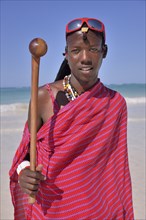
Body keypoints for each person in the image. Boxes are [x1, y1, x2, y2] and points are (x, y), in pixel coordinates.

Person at [9, 17, 134, 219]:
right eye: (76, 51)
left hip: (100, 211)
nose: (85, 58)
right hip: (51, 209)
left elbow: (116, 171)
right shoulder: (44, 98)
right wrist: (24, 174)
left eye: (93, 49)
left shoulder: (115, 103)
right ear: (66, 55)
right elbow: (26, 153)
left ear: (105, 52)